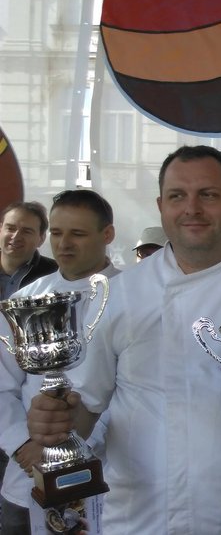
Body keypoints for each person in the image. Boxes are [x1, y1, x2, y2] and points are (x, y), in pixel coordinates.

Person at [26, 145, 221, 534]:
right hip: (135, 516)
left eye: (208, 195)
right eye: (177, 196)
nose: (192, 209)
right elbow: (87, 405)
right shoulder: (119, 294)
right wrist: (57, 419)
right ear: (160, 205)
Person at [0, 189, 119, 534]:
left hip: (108, 478)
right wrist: (25, 443)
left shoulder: (132, 295)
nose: (64, 244)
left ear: (107, 235)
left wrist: (73, 443)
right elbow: (2, 385)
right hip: (27, 477)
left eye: (78, 234)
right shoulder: (25, 299)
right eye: (56, 233)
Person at [0, 201, 57, 300]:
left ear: (41, 239)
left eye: (26, 231)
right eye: (10, 228)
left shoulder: (55, 273)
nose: (16, 236)